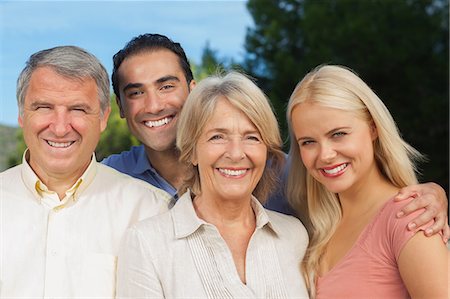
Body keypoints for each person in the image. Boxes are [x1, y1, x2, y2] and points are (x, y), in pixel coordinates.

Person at [103, 33, 449, 237]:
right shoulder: (111, 178)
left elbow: (361, 199)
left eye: (167, 86)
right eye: (135, 93)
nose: (154, 105)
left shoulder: (279, 173)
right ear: (120, 106)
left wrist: (430, 195)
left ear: (193, 90)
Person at [116, 71, 310, 298]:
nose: (236, 153)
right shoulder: (147, 243)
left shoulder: (294, 235)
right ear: (192, 152)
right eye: (218, 137)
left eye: (252, 137)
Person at [0, 46, 170, 297]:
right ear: (22, 115)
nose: (59, 128)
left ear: (103, 118)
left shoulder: (152, 211)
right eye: (44, 107)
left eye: (78, 109)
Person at [286, 65, 448, 298]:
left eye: (338, 134)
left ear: (373, 128)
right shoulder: (316, 227)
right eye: (308, 142)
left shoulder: (410, 216)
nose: (325, 155)